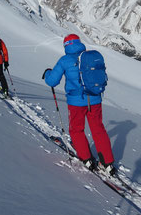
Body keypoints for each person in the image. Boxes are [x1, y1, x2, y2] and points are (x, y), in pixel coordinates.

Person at [43, 34, 115, 175]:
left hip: (76, 102)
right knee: (98, 129)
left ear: (66, 46)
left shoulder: (65, 60)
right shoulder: (89, 56)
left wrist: (47, 73)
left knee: (77, 129)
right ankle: (107, 162)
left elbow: (52, 81)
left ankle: (86, 158)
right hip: (95, 99)